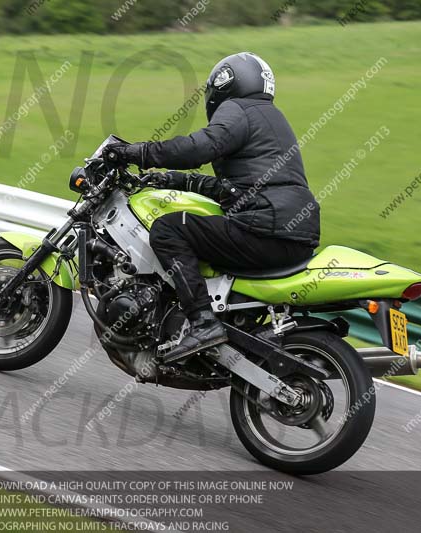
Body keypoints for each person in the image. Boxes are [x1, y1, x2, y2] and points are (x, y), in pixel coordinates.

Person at [102, 52, 321, 361]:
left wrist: (136, 153)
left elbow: (200, 147)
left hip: (263, 229)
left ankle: (202, 323)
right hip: (293, 235)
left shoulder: (238, 108)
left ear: (224, 84)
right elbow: (229, 188)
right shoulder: (272, 117)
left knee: (167, 230)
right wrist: (168, 179)